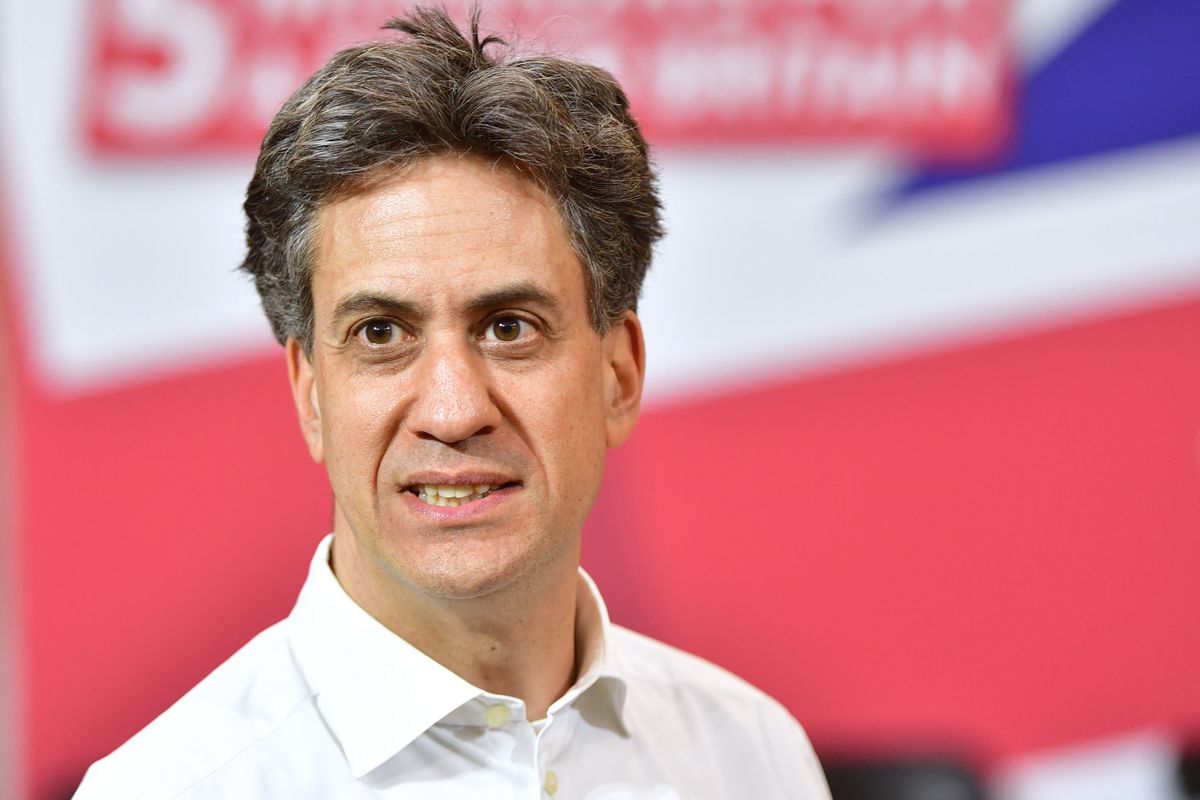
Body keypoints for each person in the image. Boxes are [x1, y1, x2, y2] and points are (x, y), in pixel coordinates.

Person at [75, 7, 831, 798]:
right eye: (379, 334)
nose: (452, 408)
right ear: (310, 395)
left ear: (620, 373)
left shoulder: (753, 757)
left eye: (509, 327)